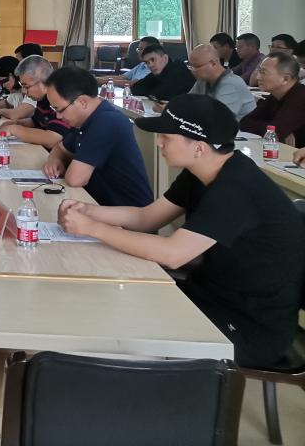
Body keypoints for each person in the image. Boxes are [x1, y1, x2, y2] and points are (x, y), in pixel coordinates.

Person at [58, 94, 305, 368]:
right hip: (211, 294)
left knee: (121, 323)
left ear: (199, 148)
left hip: (249, 326)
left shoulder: (235, 188)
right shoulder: (200, 172)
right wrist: (88, 211)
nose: (159, 143)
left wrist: (94, 229)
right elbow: (146, 217)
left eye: (167, 137)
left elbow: (172, 254)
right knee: (111, 301)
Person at [43, 67, 152, 207]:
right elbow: (60, 148)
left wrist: (65, 162)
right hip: (97, 203)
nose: (58, 116)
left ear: (82, 102)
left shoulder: (107, 122)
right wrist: (54, 160)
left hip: (126, 213)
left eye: (59, 109)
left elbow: (75, 179)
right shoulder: (85, 119)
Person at [0, 55, 71, 150]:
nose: (24, 91)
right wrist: (17, 123)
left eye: (26, 86)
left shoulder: (60, 100)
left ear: (45, 82)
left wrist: (13, 129)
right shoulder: (42, 99)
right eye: (22, 86)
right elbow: (35, 122)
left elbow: (52, 139)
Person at [239, 52, 305, 146]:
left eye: (263, 72)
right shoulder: (275, 96)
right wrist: (272, 129)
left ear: (285, 79)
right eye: (259, 71)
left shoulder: (300, 98)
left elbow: (276, 132)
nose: (258, 77)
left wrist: (273, 130)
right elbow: (244, 122)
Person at [186, 44, 257, 120]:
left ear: (213, 63)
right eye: (190, 66)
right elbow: (187, 103)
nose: (193, 70)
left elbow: (218, 118)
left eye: (196, 66)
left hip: (239, 127)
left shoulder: (231, 84)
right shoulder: (203, 80)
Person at [129, 43, 195, 102]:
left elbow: (159, 95)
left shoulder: (179, 71)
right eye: (147, 62)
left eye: (153, 59)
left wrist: (150, 91)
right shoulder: (158, 71)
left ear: (165, 58)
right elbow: (136, 88)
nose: (150, 65)